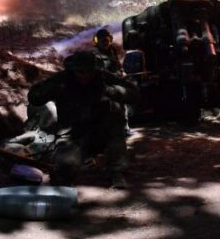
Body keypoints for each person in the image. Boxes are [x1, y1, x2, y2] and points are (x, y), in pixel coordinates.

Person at [28, 50, 138, 187]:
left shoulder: (102, 77)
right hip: (72, 135)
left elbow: (133, 93)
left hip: (100, 132)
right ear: (73, 69)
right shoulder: (62, 79)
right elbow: (34, 97)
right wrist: (52, 89)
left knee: (115, 121)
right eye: (80, 72)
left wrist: (111, 91)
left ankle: (116, 172)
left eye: (89, 72)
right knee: (64, 170)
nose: (85, 76)